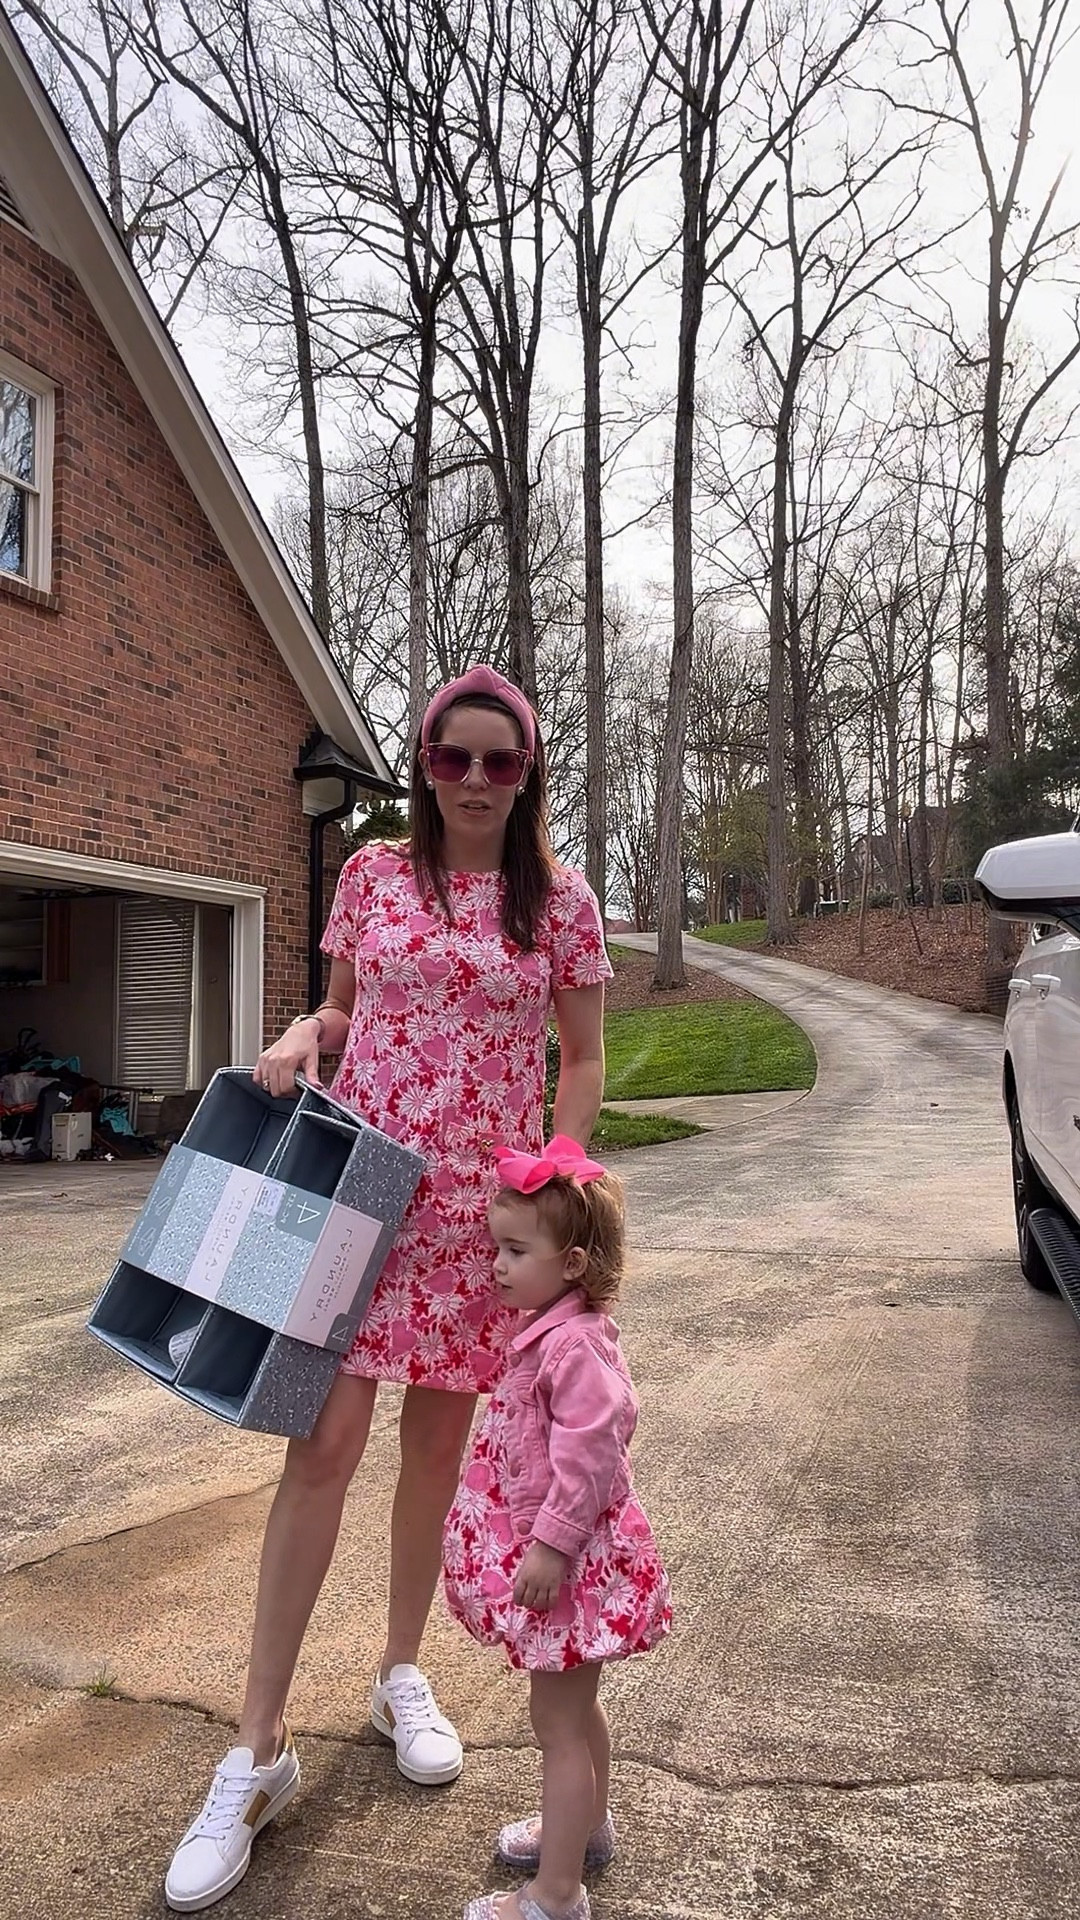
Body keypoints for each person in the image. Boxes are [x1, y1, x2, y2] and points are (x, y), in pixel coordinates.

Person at [164, 665, 613, 1914]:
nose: (476, 781)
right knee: (322, 1446)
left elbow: (579, 1057)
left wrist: (556, 1176)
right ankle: (254, 1749)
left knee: (437, 1457)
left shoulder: (560, 900)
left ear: (527, 777)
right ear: (424, 763)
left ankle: (398, 1671)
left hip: (488, 1224)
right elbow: (350, 1013)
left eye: (501, 763)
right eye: (455, 758)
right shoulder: (372, 875)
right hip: (358, 1201)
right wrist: (311, 1035)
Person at [443, 1137, 671, 1920]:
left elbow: (595, 1443)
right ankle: (585, 1828)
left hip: (569, 1564)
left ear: (572, 1263)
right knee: (576, 1713)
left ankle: (555, 1894)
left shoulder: (571, 1347)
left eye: (514, 1251)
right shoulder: (551, 1330)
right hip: (570, 1560)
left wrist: (551, 1542)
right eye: (495, 1248)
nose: (497, 1266)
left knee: (558, 1727)